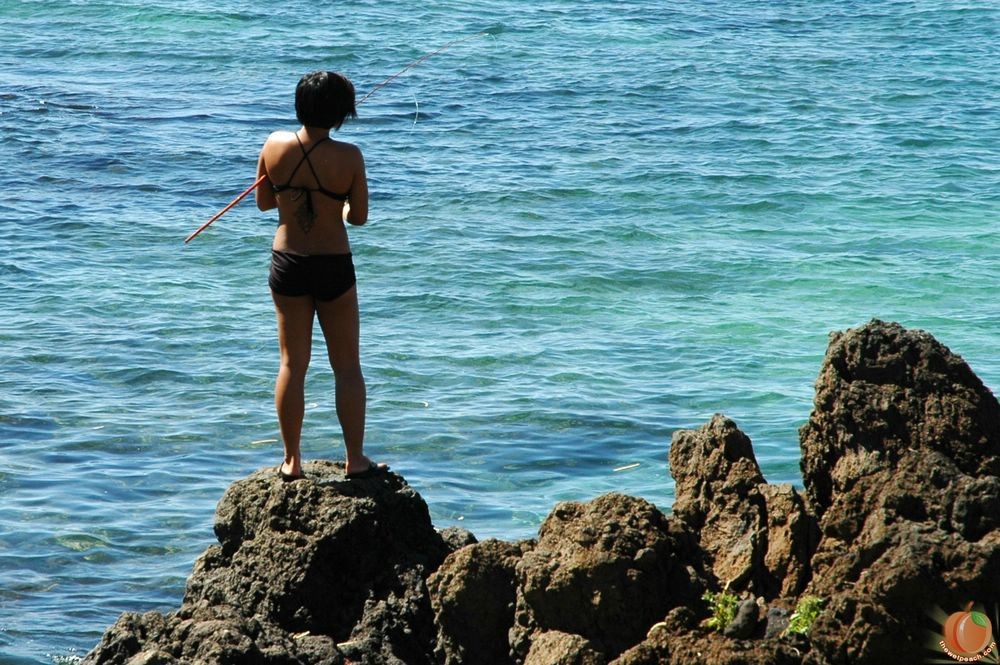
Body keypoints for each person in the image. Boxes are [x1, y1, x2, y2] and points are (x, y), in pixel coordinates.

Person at [255, 71, 386, 481]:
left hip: (288, 261)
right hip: (333, 265)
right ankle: (355, 460)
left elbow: (263, 203)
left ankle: (291, 461)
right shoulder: (350, 156)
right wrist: (341, 208)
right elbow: (359, 218)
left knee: (292, 364)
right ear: (340, 113)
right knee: (347, 366)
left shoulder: (273, 144)